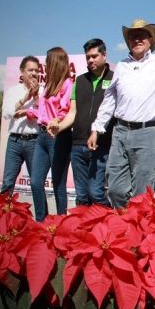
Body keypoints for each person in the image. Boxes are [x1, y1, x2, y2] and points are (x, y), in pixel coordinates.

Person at [88, 18, 155, 208]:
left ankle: (135, 232)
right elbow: (110, 100)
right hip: (121, 131)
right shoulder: (121, 66)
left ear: (150, 40)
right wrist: (97, 128)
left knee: (141, 192)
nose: (137, 39)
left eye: (142, 36)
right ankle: (127, 223)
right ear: (128, 41)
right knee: (115, 189)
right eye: (133, 36)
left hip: (149, 132)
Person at [54, 39, 113, 207]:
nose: (91, 60)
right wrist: (59, 127)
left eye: (94, 56)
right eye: (88, 57)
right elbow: (72, 113)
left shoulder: (114, 79)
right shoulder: (79, 81)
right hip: (78, 145)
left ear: (104, 55)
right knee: (82, 196)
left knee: (95, 192)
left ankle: (110, 221)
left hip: (102, 145)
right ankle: (84, 231)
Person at [30, 48, 73, 221]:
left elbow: (66, 111)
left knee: (59, 186)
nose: (44, 65)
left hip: (58, 137)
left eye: (47, 61)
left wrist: (56, 120)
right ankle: (41, 221)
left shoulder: (67, 84)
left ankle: (61, 224)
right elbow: (43, 112)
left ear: (55, 62)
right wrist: (27, 112)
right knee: (35, 182)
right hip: (41, 136)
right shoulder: (48, 85)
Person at [0, 56, 40, 196]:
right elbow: (6, 114)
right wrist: (24, 99)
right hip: (15, 141)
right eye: (30, 70)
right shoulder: (13, 90)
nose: (34, 73)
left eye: (36, 70)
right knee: (8, 182)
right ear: (22, 71)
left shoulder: (43, 91)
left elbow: (47, 114)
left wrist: (36, 99)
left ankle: (41, 218)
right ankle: (4, 215)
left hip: (34, 141)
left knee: (36, 182)